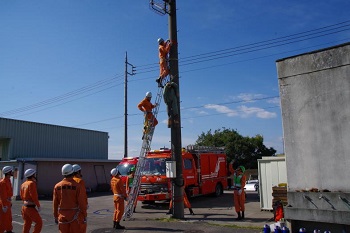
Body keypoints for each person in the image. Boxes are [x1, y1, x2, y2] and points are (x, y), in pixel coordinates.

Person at [53, 164, 87, 233]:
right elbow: (82, 203)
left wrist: (55, 215)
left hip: (62, 216)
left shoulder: (57, 186)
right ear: (72, 172)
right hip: (75, 216)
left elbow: (55, 203)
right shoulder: (77, 186)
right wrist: (84, 214)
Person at [20, 168, 43, 233]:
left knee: (27, 223)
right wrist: (38, 205)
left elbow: (21, 196)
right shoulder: (32, 183)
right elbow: (34, 196)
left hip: (24, 207)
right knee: (39, 222)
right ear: (32, 175)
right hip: (30, 207)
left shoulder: (23, 184)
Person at [72, 164, 88, 233]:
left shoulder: (69, 181)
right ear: (78, 172)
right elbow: (82, 196)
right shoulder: (80, 181)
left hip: (70, 210)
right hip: (79, 210)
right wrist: (85, 208)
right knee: (81, 228)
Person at [0, 166, 14, 233]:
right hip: (4, 203)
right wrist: (4, 205)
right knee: (3, 219)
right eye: (11, 171)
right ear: (8, 172)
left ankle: (9, 230)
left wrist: (9, 202)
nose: (12, 172)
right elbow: (3, 195)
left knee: (9, 218)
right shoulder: (3, 182)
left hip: (8, 202)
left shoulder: (8, 180)